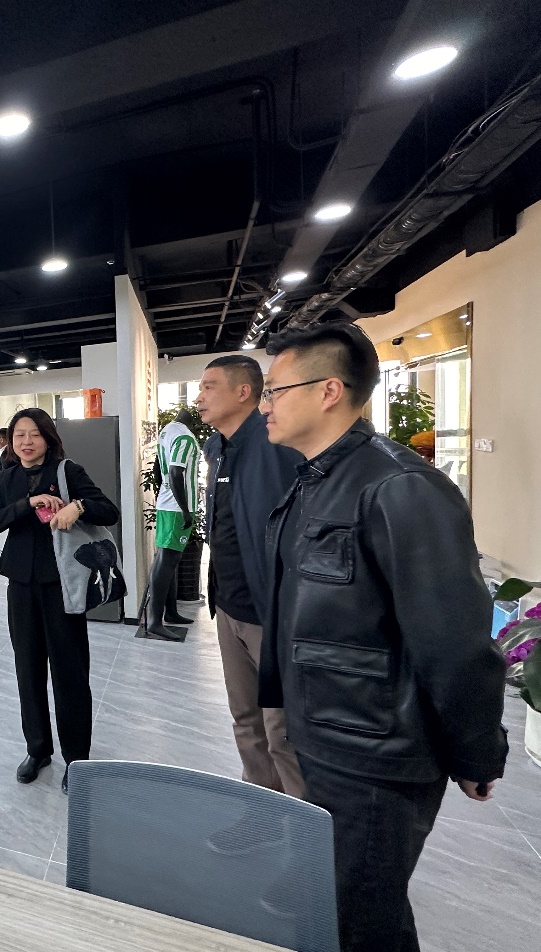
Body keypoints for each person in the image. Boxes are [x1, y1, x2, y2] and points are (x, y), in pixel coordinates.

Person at [258, 322, 508, 952]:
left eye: (275, 390)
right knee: (345, 905)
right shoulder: (314, 479)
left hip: (375, 752)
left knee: (361, 919)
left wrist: (476, 751)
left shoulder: (400, 486)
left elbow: (453, 639)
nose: (264, 405)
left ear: (329, 391)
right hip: (328, 733)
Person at [0, 408, 119, 793]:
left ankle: (76, 759)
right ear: (11, 441)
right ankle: (37, 749)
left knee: (69, 671)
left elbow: (109, 511)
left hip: (62, 584)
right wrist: (28, 504)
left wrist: (79, 506)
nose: (26, 441)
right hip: (20, 583)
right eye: (19, 435)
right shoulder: (8, 477)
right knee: (27, 669)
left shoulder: (67, 471)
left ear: (48, 438)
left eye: (35, 434)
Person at [194, 356, 304, 801]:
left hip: (269, 611)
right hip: (229, 604)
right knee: (245, 718)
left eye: (209, 387)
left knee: (282, 730)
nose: (199, 397)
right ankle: (258, 807)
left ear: (244, 392)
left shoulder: (274, 444)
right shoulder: (217, 447)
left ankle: (300, 826)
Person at [145, 408, 200, 640]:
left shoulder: (166, 431)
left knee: (169, 560)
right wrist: (185, 509)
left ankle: (170, 612)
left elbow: (158, 471)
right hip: (177, 508)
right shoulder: (185, 437)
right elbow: (176, 472)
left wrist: (165, 494)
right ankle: (155, 621)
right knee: (166, 561)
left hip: (167, 505)